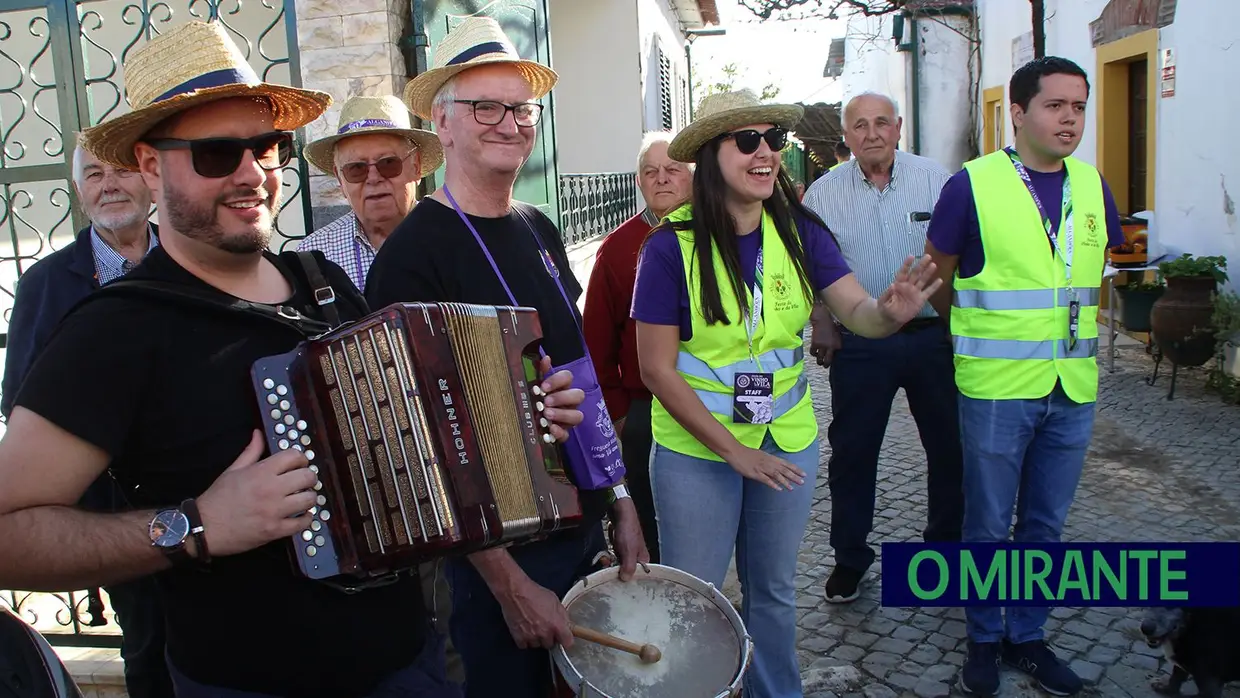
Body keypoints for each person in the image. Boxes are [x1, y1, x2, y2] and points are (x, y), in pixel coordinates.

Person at [0, 20, 586, 698]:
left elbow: (424, 456)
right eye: (218, 154)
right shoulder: (116, 329)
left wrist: (521, 418)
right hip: (249, 684)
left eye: (267, 147)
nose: (252, 173)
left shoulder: (326, 287)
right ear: (151, 166)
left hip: (413, 665)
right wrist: (195, 525)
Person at [365, 17, 649, 698]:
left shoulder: (536, 226)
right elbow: (419, 449)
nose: (508, 123)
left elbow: (576, 370)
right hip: (502, 558)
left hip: (580, 527)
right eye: (484, 107)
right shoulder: (411, 257)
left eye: (520, 109)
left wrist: (621, 499)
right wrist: (508, 584)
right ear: (444, 123)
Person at [632, 88, 943, 698]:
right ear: (711, 155)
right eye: (747, 140)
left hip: (785, 440)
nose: (766, 152)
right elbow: (656, 370)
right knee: (698, 596)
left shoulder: (801, 231)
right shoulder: (670, 246)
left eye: (773, 139)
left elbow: (857, 312)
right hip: (698, 454)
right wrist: (733, 451)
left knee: (773, 592)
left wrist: (890, 313)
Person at [923, 56, 1125, 697]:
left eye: (1079, 106)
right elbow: (937, 280)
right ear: (1017, 112)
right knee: (985, 524)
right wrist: (983, 334)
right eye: (1055, 105)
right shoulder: (972, 185)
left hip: (1072, 387)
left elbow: (1090, 281)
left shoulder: (1093, 186)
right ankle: (983, 641)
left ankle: (1028, 635)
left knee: (1044, 525)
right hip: (996, 390)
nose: (1070, 119)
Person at [1, 143, 170, 698]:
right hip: (117, 510)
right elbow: (19, 398)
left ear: (150, 179)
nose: (109, 186)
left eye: (120, 170)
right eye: (94, 175)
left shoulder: (188, 261)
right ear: (79, 191)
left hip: (206, 485)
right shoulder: (47, 283)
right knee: (149, 647)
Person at [802, 91, 963, 605]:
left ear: (898, 128)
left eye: (881, 123)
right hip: (861, 340)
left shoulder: (938, 181)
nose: (871, 133)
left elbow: (962, 251)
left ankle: (944, 553)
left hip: (930, 338)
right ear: (846, 137)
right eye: (859, 125)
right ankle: (850, 558)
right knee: (852, 452)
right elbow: (809, 268)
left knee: (949, 448)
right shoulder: (822, 196)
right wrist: (822, 319)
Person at [581, 130, 693, 563]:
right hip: (648, 408)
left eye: (673, 170)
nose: (662, 179)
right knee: (650, 520)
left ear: (691, 178)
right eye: (651, 172)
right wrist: (619, 412)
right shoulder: (616, 249)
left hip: (713, 396)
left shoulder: (717, 236)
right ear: (639, 182)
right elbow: (597, 340)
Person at [297, 94, 443, 291]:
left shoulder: (453, 238)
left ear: (416, 166)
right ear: (340, 178)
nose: (373, 178)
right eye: (356, 169)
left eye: (388, 164)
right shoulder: (315, 256)